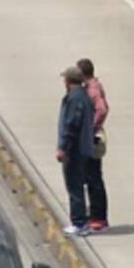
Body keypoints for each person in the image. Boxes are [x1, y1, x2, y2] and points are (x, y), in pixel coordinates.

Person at [56, 65, 95, 236]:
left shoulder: (74, 99)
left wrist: (63, 148)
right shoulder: (83, 97)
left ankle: (79, 222)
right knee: (77, 184)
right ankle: (80, 221)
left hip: (75, 149)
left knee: (74, 185)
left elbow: (71, 125)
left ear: (69, 81)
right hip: (83, 147)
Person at [77, 58, 109, 232]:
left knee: (93, 177)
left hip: (92, 139)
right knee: (89, 176)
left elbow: (102, 109)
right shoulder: (89, 87)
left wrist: (91, 126)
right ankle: (95, 214)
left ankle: (98, 216)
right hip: (88, 137)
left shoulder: (93, 89)